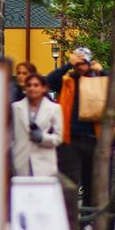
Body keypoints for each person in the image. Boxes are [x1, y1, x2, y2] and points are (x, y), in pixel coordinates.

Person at [45, 47, 106, 207]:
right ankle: (69, 220)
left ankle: (89, 220)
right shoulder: (66, 82)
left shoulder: (99, 81)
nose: (80, 67)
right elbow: (49, 81)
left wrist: (102, 72)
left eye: (83, 63)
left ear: (89, 63)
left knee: (91, 184)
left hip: (93, 140)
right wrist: (67, 65)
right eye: (77, 63)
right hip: (69, 140)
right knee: (69, 182)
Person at [11, 72, 63, 176]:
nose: (32, 88)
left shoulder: (54, 108)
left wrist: (42, 138)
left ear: (43, 88)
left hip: (44, 162)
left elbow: (58, 138)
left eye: (36, 85)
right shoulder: (15, 107)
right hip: (20, 161)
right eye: (29, 85)